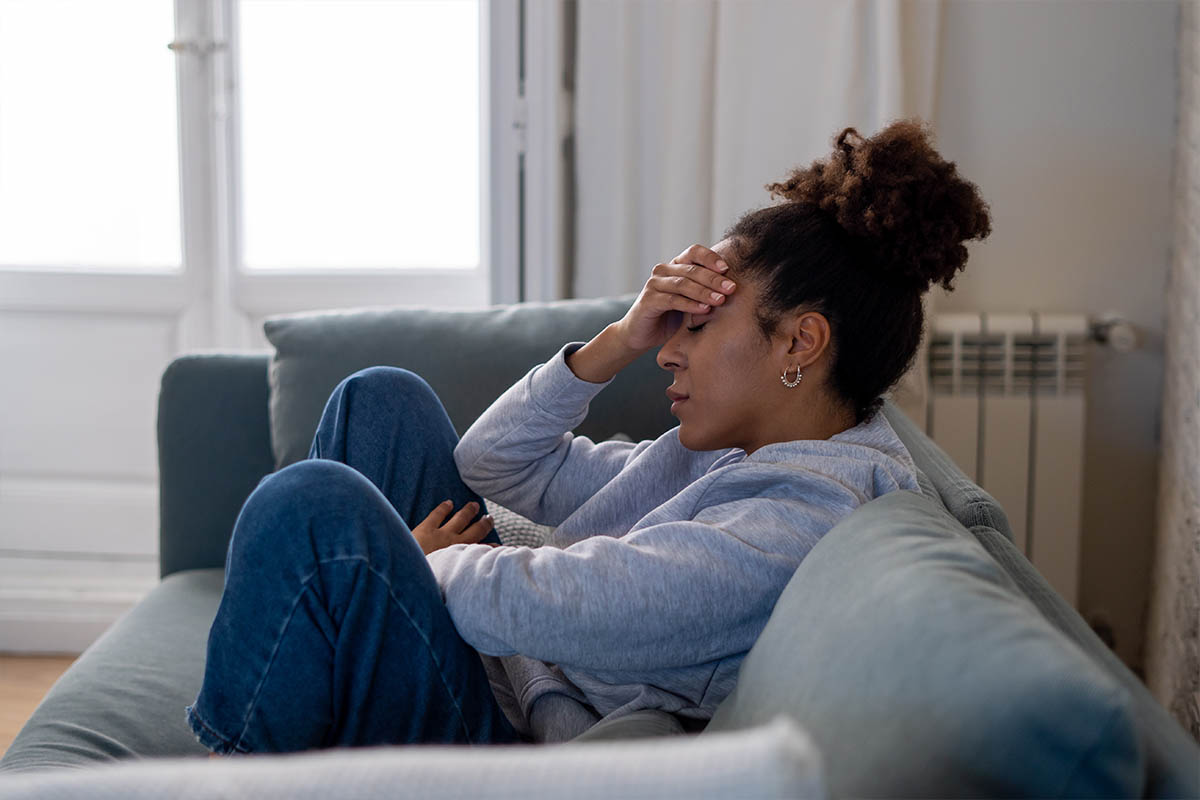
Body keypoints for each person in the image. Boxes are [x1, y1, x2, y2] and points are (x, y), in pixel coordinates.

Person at [185, 117, 992, 754]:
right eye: (669, 324)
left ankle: (237, 767)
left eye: (696, 327)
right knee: (380, 400)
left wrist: (418, 565)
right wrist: (619, 337)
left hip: (516, 737)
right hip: (505, 665)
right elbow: (491, 461)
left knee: (310, 505)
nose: (669, 348)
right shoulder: (734, 449)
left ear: (799, 343)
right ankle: (311, 691)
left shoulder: (804, 512)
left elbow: (579, 602)